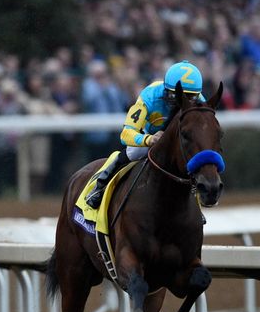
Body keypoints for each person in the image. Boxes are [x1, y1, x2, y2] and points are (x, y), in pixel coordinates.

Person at [85, 60, 205, 208]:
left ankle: (198, 202)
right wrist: (149, 139)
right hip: (151, 133)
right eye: (177, 97)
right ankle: (100, 187)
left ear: (197, 96)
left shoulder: (201, 101)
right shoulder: (149, 96)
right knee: (135, 152)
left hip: (179, 138)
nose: (182, 103)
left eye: (189, 98)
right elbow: (126, 134)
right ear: (165, 90)